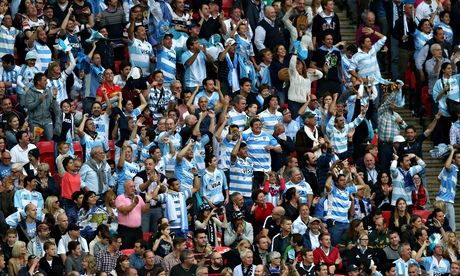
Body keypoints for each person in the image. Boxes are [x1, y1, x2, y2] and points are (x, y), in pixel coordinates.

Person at [115, 180, 150, 249]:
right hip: (125, 230)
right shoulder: (120, 198)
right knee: (125, 250)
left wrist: (148, 201)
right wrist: (134, 204)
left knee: (138, 251)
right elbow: (125, 211)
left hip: (138, 230)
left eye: (134, 186)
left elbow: (145, 210)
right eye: (131, 186)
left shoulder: (138, 197)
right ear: (125, 188)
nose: (133, 188)